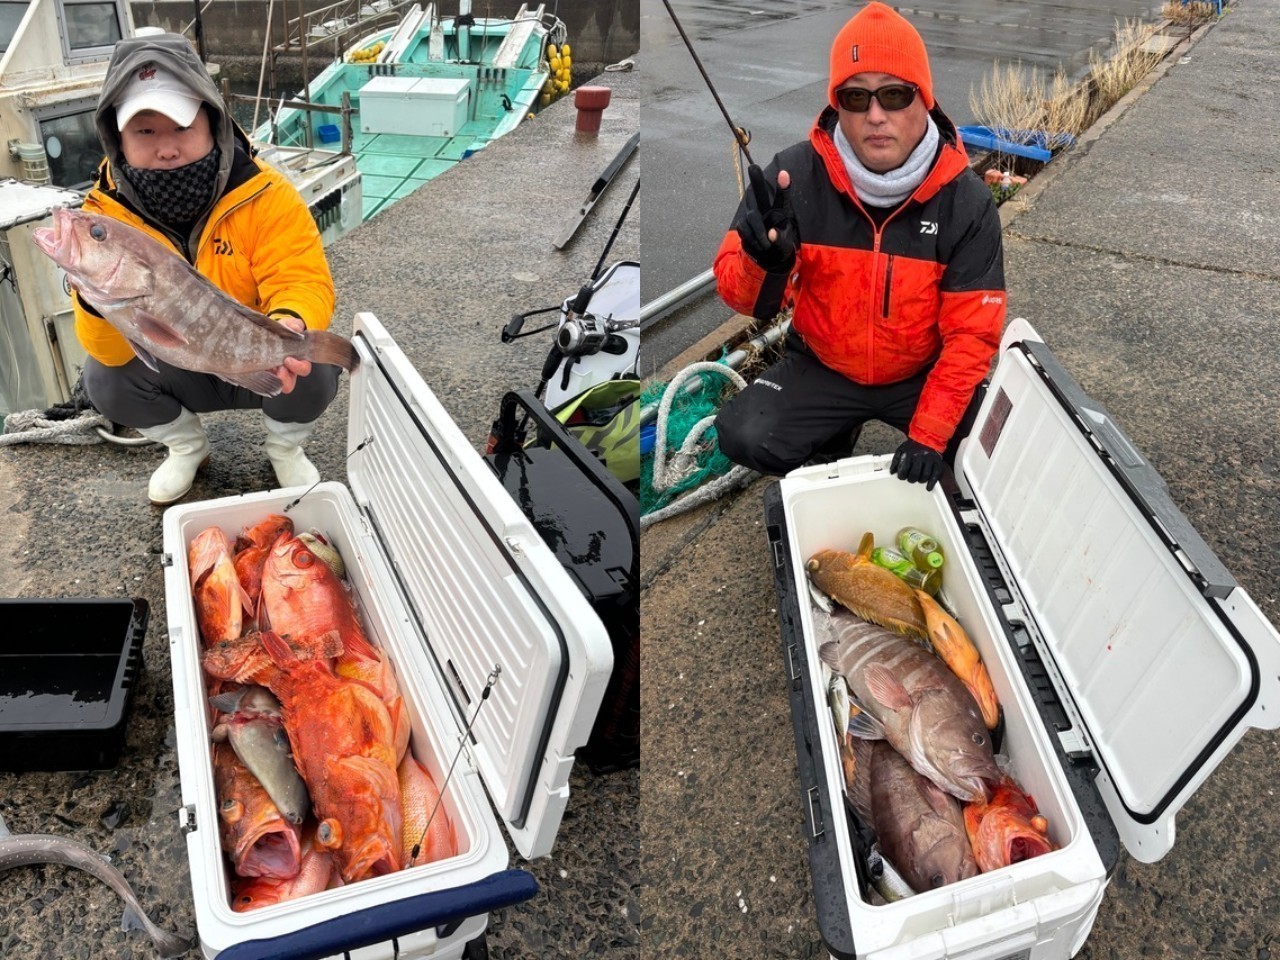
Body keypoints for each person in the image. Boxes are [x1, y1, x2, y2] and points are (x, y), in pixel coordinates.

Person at [712, 1, 1006, 489]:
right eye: (855, 98)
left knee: (991, 457)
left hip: (921, 371)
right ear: (836, 105)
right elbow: (742, 299)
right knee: (745, 435)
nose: (875, 115)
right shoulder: (792, 175)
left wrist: (930, 436)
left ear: (924, 100)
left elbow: (972, 336)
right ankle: (833, 431)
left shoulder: (967, 200)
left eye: (894, 94)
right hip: (824, 363)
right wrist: (765, 262)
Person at [74, 32, 341, 505]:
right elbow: (113, 354)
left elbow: (299, 273)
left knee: (313, 355)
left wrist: (290, 318)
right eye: (145, 131)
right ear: (117, 139)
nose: (167, 148)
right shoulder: (102, 217)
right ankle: (186, 448)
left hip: (256, 359)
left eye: (181, 126)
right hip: (175, 362)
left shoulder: (268, 193)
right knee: (104, 379)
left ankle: (285, 449)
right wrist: (93, 299)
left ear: (213, 124)